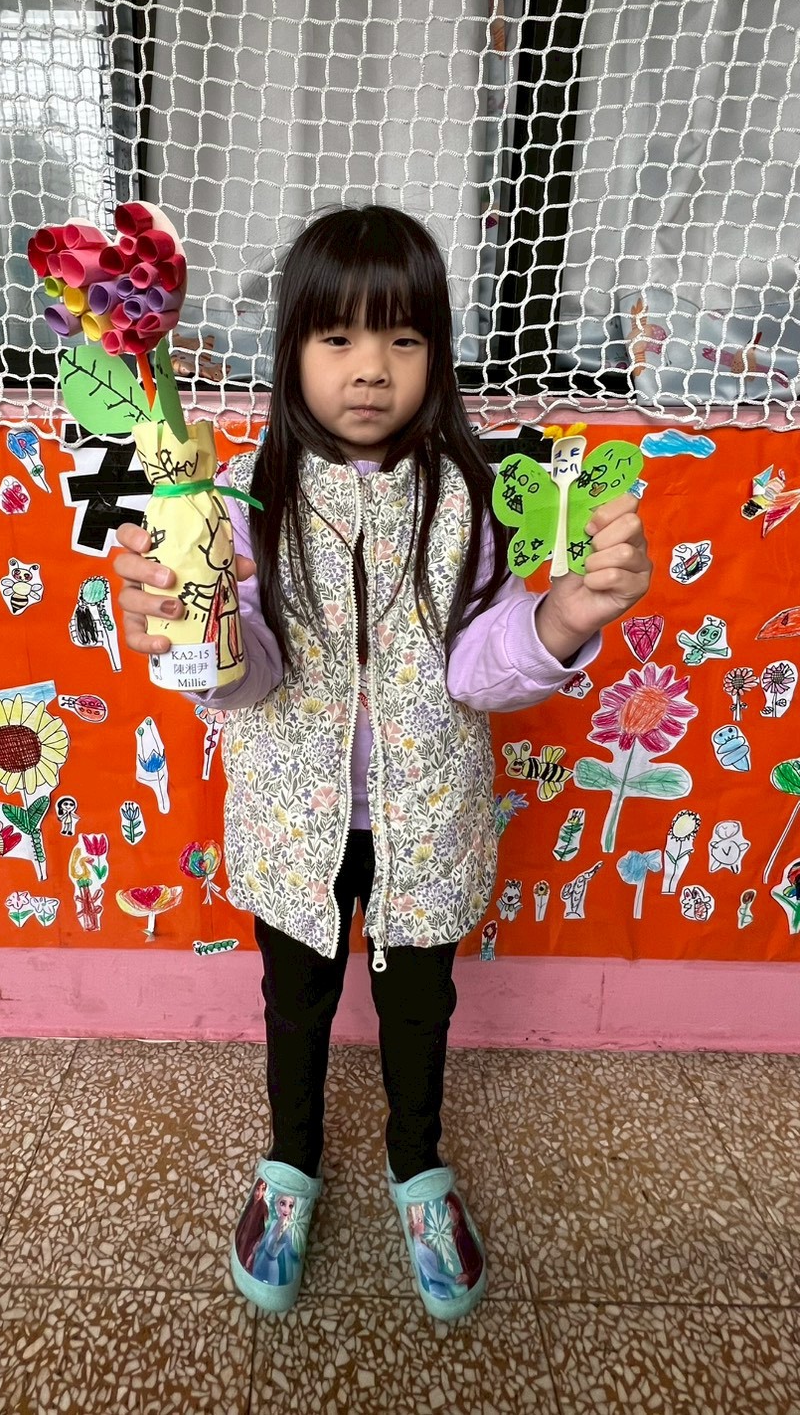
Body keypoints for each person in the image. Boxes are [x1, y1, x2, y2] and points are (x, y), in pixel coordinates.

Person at [113, 204, 652, 1320]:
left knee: (420, 1010)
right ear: (293, 351)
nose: (371, 369)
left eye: (403, 339)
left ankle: (419, 1168)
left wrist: (562, 617)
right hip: (291, 819)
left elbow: (477, 669)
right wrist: (196, 633)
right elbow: (252, 675)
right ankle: (290, 1163)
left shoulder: (468, 497)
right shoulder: (238, 500)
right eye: (339, 337)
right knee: (294, 1004)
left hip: (429, 817)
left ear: (437, 354)